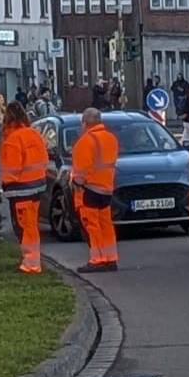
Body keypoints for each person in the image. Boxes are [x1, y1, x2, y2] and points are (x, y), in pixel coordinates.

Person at [0, 100, 49, 274]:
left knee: (24, 227)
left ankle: (30, 263)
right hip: (37, 187)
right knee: (32, 226)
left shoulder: (12, 139)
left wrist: (5, 183)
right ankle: (33, 261)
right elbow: (44, 160)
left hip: (20, 189)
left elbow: (13, 168)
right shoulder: (34, 134)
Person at [70, 107, 120, 273]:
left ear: (84, 123)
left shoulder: (85, 141)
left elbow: (81, 171)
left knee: (92, 225)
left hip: (89, 189)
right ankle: (111, 258)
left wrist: (77, 184)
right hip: (107, 188)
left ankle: (97, 259)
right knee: (106, 224)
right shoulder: (111, 138)